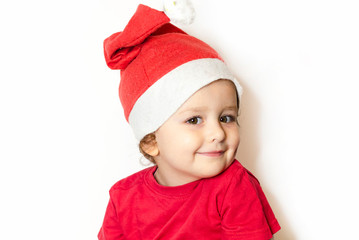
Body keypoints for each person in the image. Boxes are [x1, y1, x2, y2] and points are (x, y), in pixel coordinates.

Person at [99, 4, 280, 240]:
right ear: (150, 141)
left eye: (226, 118)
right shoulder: (122, 198)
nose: (218, 133)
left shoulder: (233, 186)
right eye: (194, 119)